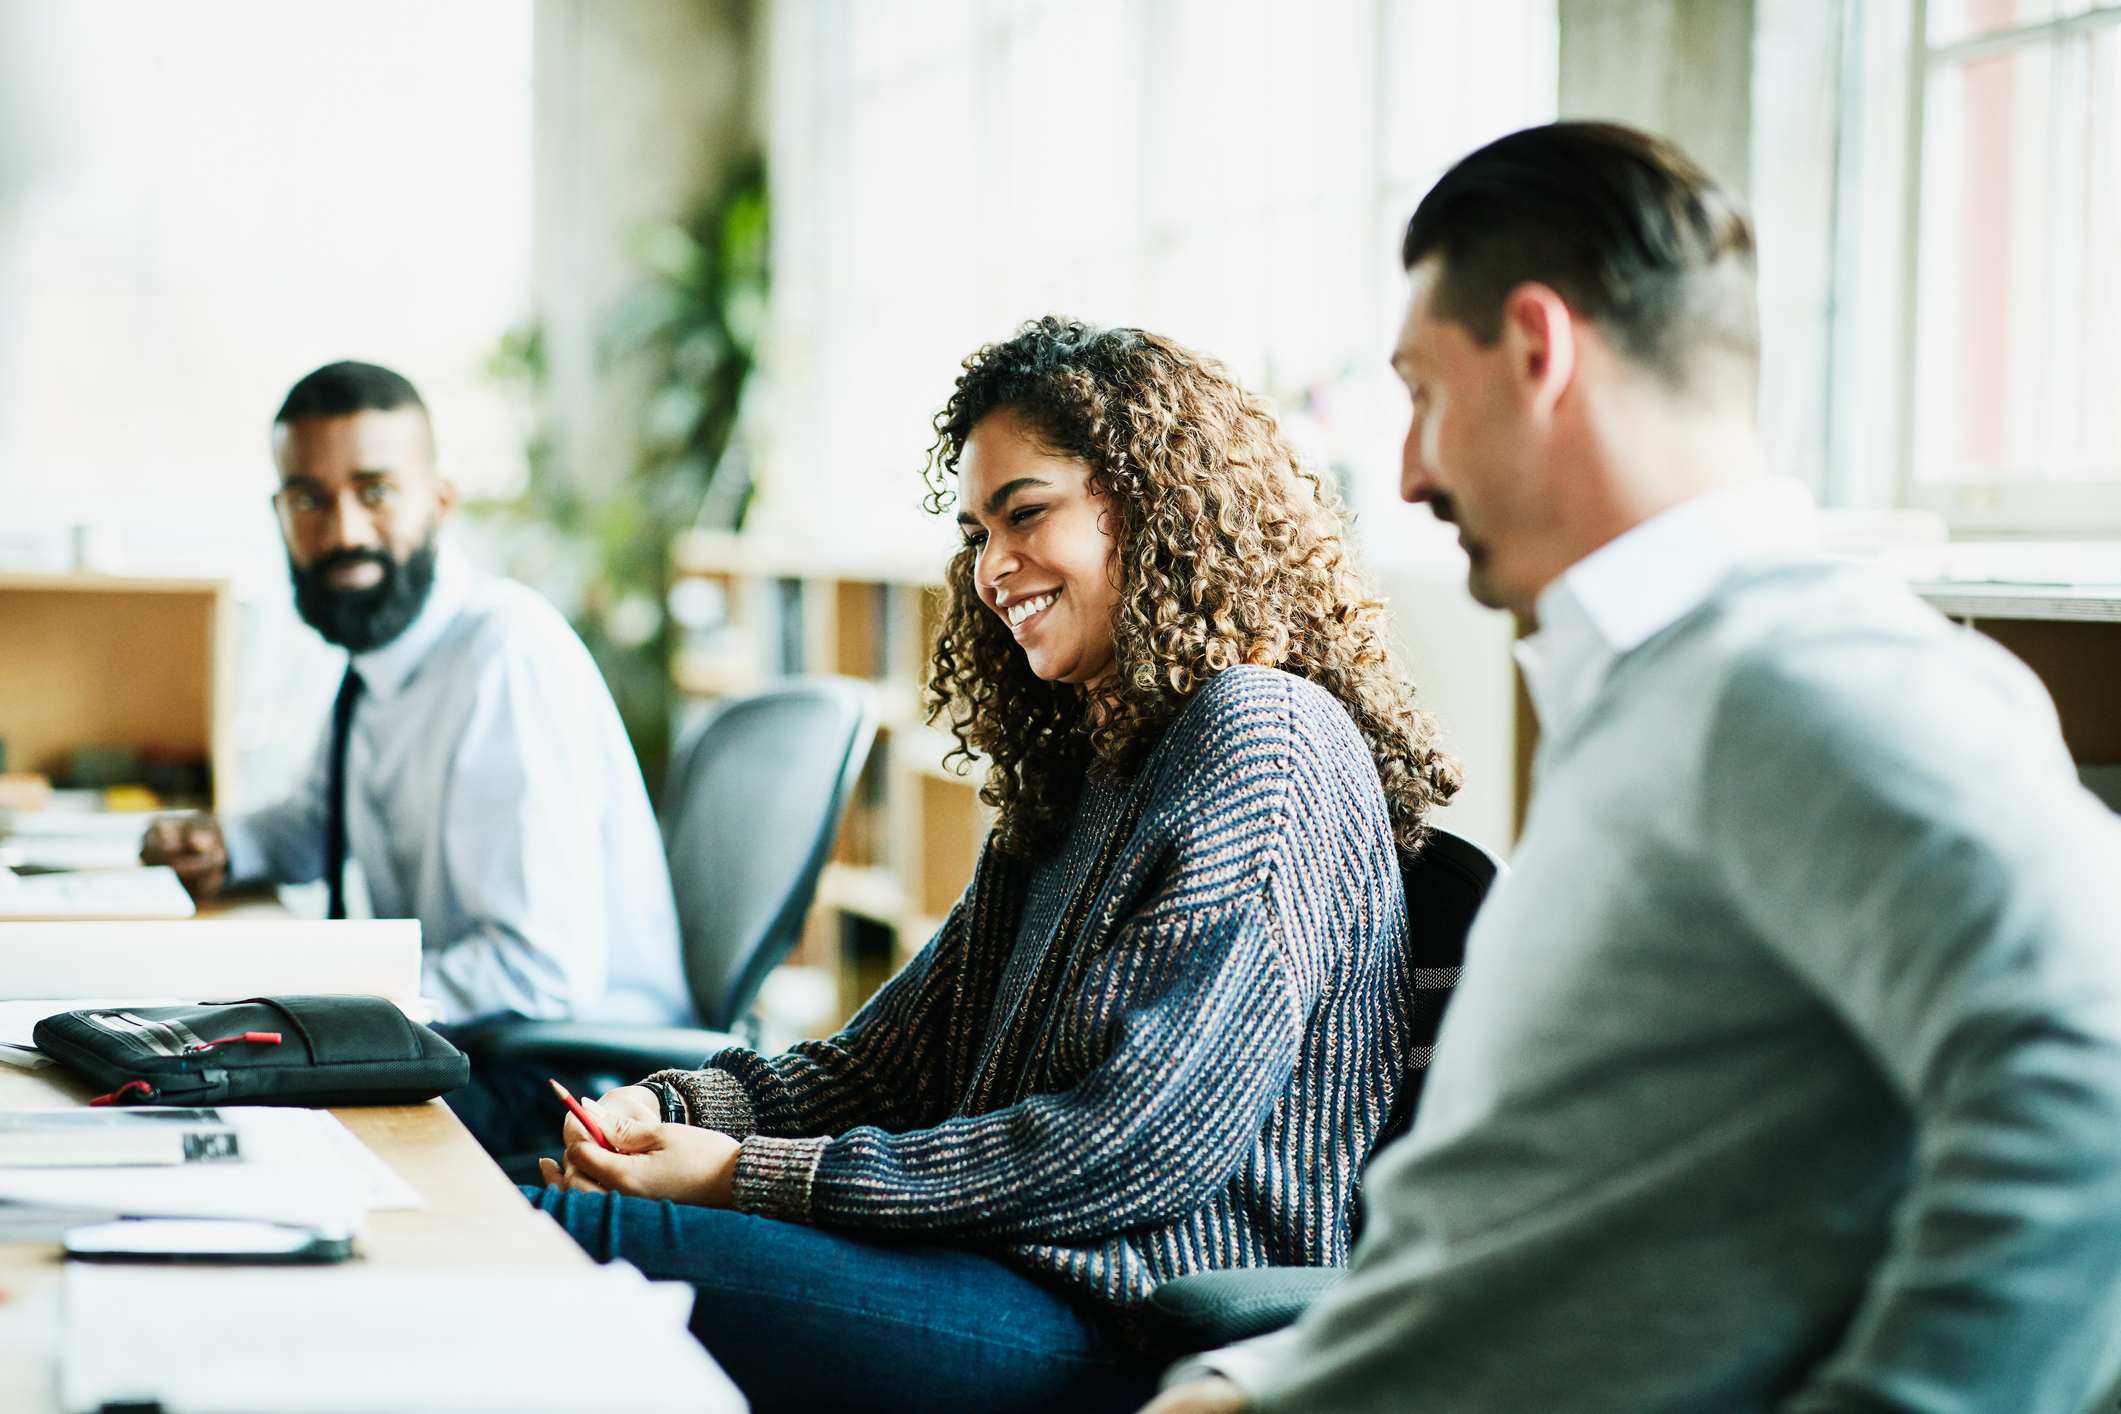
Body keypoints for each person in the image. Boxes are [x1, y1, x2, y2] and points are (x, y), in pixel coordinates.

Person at [1148, 122, 2121, 1414]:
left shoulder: (1802, 677)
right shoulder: (1662, 695)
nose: (1408, 467)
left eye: (1424, 394)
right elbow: (1564, 1227)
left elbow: (2087, 1073)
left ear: (1540, 349)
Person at [526, 317, 1463, 1413]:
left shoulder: (1265, 738)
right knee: (515, 1212)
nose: (992, 570)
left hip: (1128, 1328)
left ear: (1152, 505)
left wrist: (744, 1176)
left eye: (1026, 514)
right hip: (1001, 1273)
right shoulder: (1090, 768)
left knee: (561, 1243)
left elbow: (1137, 1145)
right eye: (978, 531)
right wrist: (675, 1103)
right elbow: (884, 1067)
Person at [141, 361, 691, 1151]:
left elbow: (539, 973)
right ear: (280, 514)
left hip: (571, 1082)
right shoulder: (379, 663)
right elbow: (317, 822)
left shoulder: (503, 658)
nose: (344, 531)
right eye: (310, 499)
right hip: (477, 1043)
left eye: (375, 491)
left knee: (247, 1131)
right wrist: (229, 844)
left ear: (439, 503)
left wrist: (337, 1002)